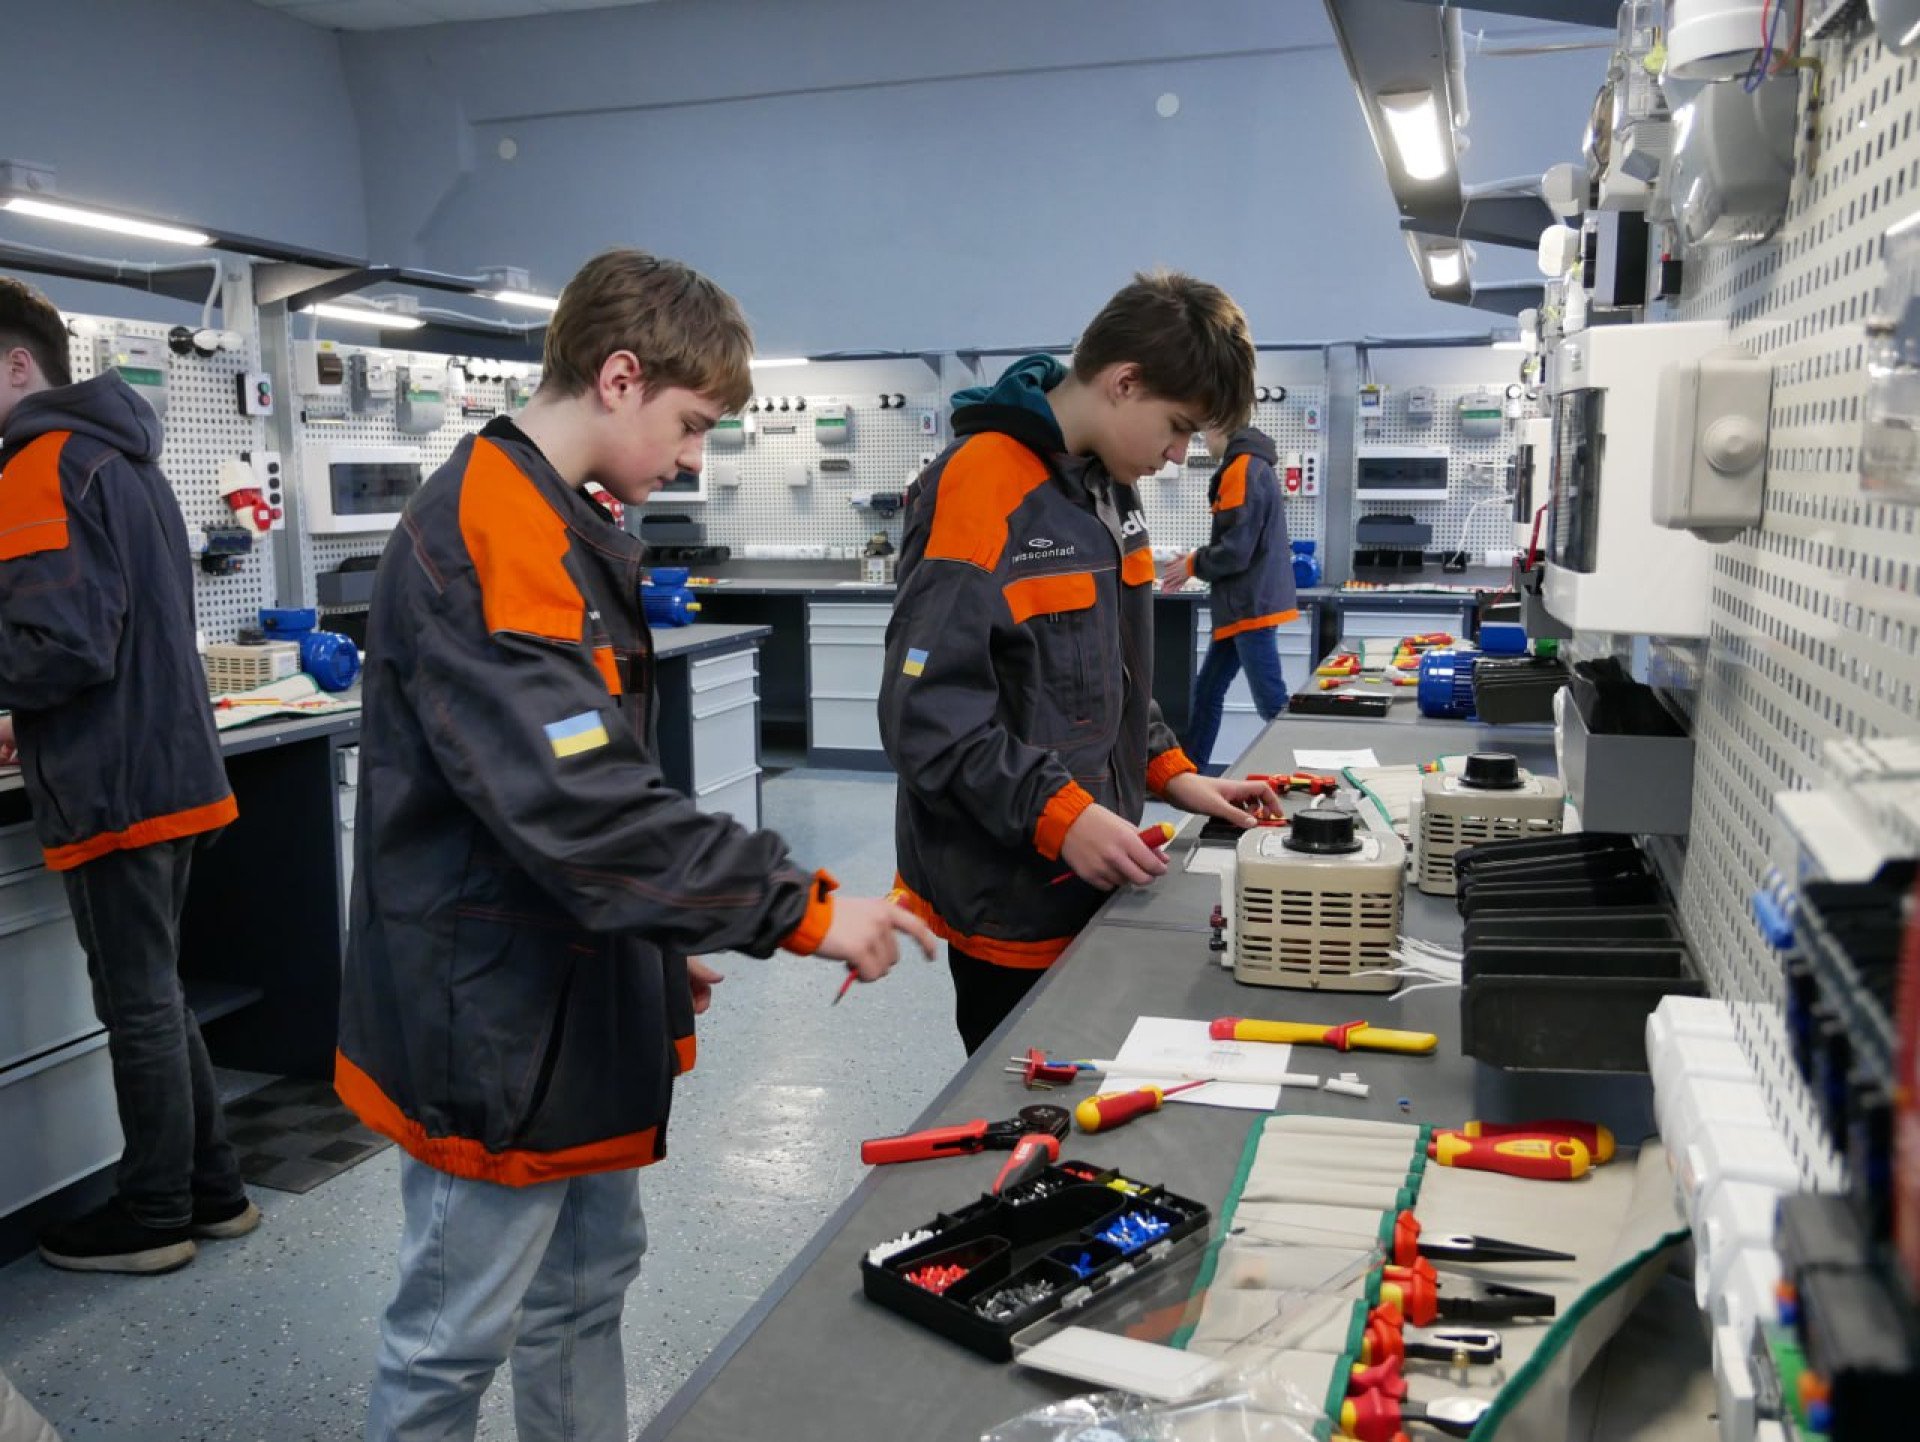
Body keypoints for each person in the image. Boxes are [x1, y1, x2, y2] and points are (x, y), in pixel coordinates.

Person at [336, 248, 934, 1442]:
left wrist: (654, 946)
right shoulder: (494, 525)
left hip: (571, 990)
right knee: (451, 1340)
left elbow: (575, 786)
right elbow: (584, 805)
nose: (693, 458)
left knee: (581, 1292)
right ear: (619, 377)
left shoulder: (567, 520)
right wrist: (804, 908)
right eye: (691, 424)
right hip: (489, 1019)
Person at [879, 270, 1282, 1055]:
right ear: (1124, 382)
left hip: (1088, 875)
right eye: (1176, 428)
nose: (1178, 455)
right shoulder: (981, 483)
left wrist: (1175, 774)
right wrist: (1060, 816)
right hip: (1010, 895)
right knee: (1029, 1097)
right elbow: (924, 717)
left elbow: (1106, 674)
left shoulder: (1108, 489)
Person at [0, 275, 258, 1275]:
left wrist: (23, 691)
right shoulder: (122, 457)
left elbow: (63, 644)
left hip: (114, 781)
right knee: (157, 991)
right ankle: (214, 1189)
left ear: (17, 365)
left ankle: (153, 1211)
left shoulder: (38, 467)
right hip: (169, 765)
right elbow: (107, 630)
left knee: (137, 1001)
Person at [1158, 423, 1297, 767]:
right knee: (1207, 692)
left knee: (1272, 703)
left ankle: (1304, 773)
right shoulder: (1253, 464)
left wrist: (1193, 564)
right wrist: (1195, 562)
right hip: (1239, 606)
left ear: (1220, 427)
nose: (1203, 443)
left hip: (1249, 606)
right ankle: (1189, 774)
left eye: (1204, 434)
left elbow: (1235, 551)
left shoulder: (1242, 469)